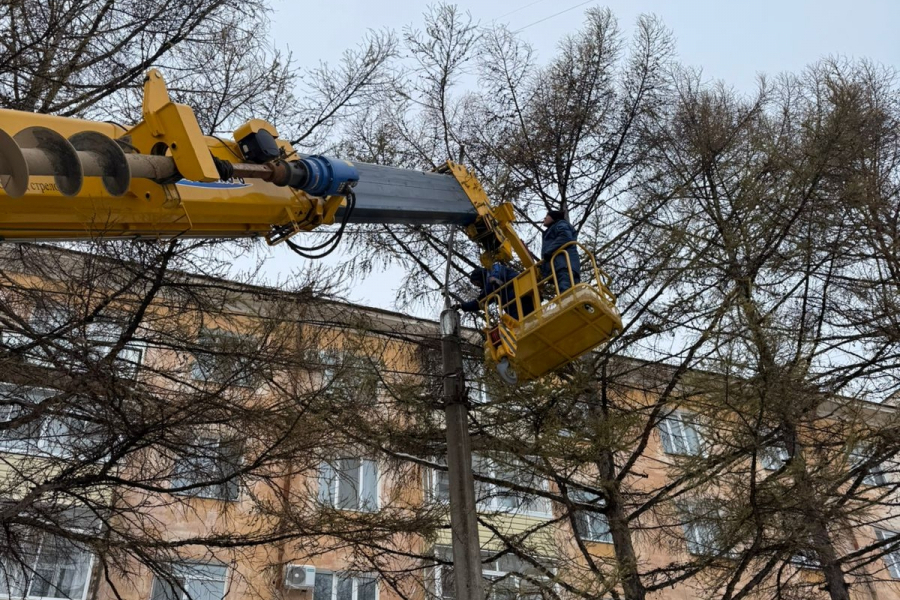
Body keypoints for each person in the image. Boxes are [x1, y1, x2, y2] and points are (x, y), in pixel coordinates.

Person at [454, 264, 533, 320]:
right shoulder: (490, 289)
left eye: (477, 283)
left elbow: (494, 280)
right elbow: (481, 303)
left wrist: (493, 281)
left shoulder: (494, 270)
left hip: (523, 295)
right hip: (514, 308)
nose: (477, 286)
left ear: (480, 277)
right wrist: (462, 306)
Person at [541, 209, 580, 293]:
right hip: (565, 265)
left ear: (553, 218)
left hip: (564, 265)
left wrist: (548, 251)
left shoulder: (560, 224)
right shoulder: (557, 226)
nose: (544, 218)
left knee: (566, 293)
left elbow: (565, 236)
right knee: (574, 294)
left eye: (547, 216)